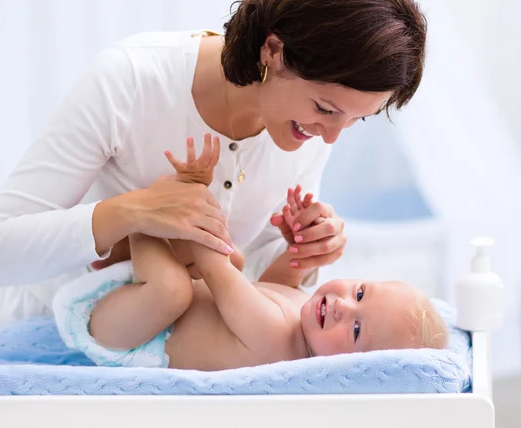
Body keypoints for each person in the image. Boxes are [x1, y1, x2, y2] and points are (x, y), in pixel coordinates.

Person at [0, 0, 427, 428]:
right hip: (61, 365)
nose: (332, 136)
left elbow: (252, 294)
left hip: (174, 386)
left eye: (356, 120)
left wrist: (301, 253)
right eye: (327, 109)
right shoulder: (132, 81)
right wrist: (135, 210)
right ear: (273, 50)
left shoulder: (303, 130)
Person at [57, 134, 447, 371]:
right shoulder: (302, 323)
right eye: (360, 292)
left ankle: (143, 219)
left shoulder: (277, 340)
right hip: (143, 310)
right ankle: (144, 232)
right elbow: (272, 288)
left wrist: (191, 196)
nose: (345, 306)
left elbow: (212, 263)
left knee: (184, 283)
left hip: (128, 334)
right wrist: (296, 250)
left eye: (357, 330)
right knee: (238, 264)